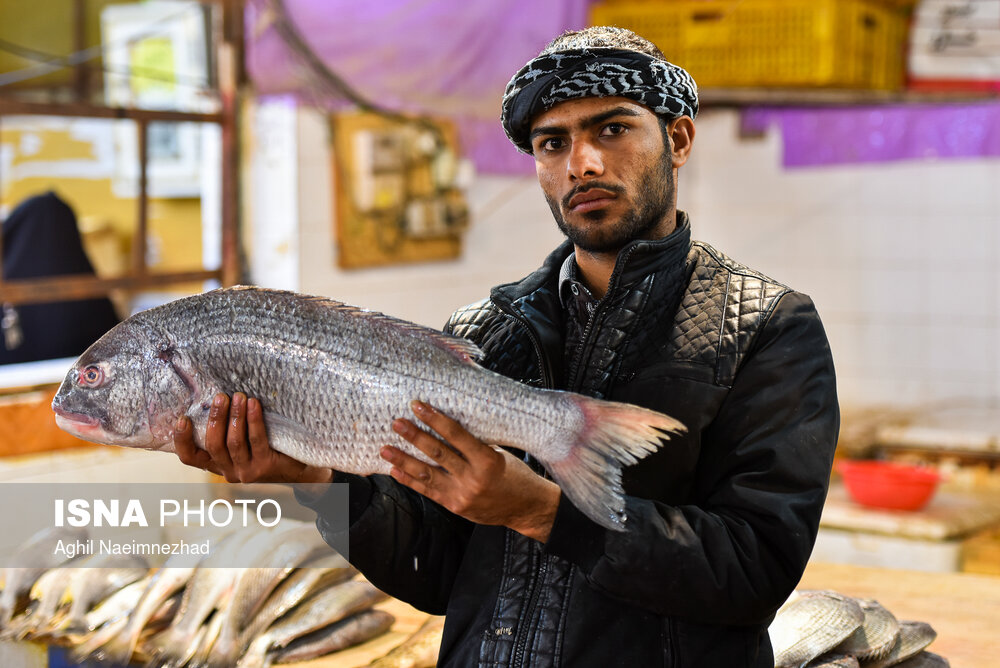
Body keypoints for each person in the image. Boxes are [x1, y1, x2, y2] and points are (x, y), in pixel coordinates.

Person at [173, 26, 839, 667]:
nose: (583, 163)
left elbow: (755, 573)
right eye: (553, 144)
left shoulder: (767, 328)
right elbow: (434, 574)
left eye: (613, 129)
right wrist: (318, 481)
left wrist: (539, 510)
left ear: (678, 138)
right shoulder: (482, 332)